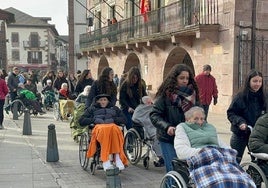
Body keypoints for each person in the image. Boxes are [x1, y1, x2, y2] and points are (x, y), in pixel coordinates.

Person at [174, 106, 255, 188]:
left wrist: (230, 152)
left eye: (202, 119)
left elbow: (221, 144)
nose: (199, 122)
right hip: (202, 162)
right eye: (196, 119)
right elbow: (181, 150)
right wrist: (204, 151)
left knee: (241, 179)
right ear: (187, 119)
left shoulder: (210, 127)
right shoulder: (182, 128)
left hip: (220, 160)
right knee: (220, 181)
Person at [149, 64, 199, 172]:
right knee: (173, 168)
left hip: (188, 137)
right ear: (174, 78)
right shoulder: (165, 95)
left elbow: (200, 114)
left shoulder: (193, 95)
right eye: (181, 78)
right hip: (168, 138)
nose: (185, 81)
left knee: (187, 169)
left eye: (187, 78)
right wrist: (167, 127)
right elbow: (154, 115)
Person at [79, 94, 128, 171]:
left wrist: (113, 119)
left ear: (108, 101)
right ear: (97, 101)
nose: (103, 102)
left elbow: (124, 120)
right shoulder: (92, 109)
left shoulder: (114, 109)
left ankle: (117, 157)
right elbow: (81, 121)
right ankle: (106, 160)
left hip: (112, 127)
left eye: (105, 100)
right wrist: (93, 120)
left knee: (114, 128)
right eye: (101, 100)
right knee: (105, 130)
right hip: (99, 127)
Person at [227, 69, 266, 164]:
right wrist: (240, 122)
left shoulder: (264, 96)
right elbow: (231, 113)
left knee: (259, 160)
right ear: (249, 81)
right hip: (241, 133)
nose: (257, 84)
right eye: (255, 81)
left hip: (257, 135)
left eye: (260, 81)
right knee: (235, 159)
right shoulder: (240, 96)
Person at [132, 96, 164, 167]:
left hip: (155, 125)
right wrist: (143, 121)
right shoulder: (139, 109)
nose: (150, 104)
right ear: (144, 103)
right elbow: (135, 118)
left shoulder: (153, 107)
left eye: (151, 102)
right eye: (148, 102)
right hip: (147, 127)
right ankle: (161, 156)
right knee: (156, 136)